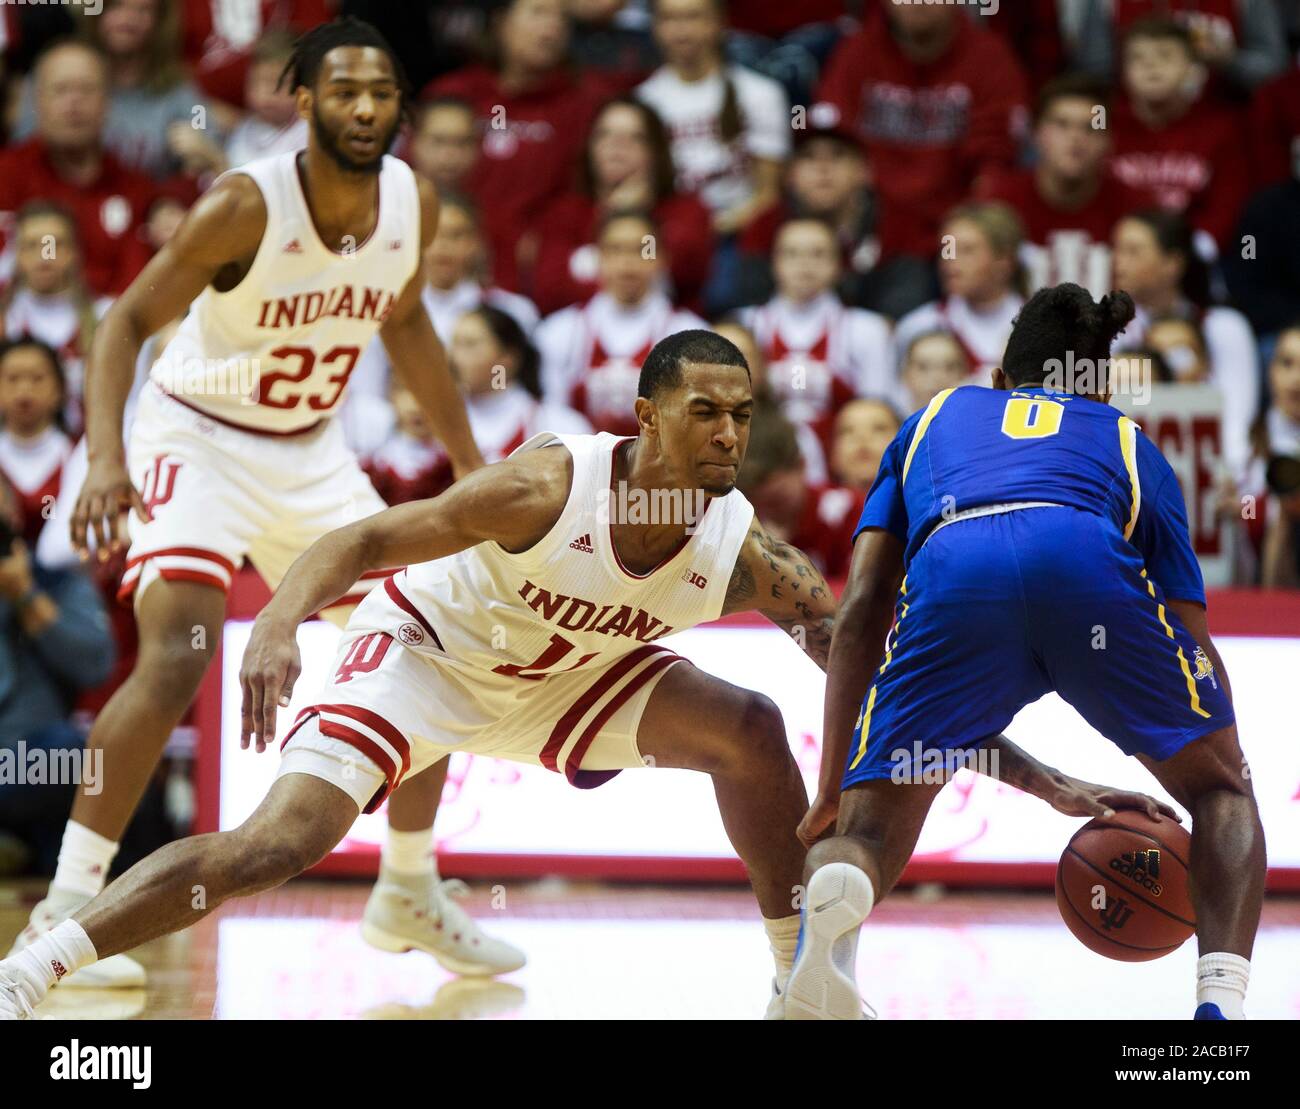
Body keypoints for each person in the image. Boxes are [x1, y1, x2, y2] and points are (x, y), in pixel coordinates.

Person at [0, 328, 1163, 1020]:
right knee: (275, 845)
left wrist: (1051, 782)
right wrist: (279, 622)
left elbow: (901, 687)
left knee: (752, 724)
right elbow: (361, 540)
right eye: (702, 410)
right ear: (644, 414)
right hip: (423, 653)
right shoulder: (546, 486)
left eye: (741, 415)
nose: (724, 431)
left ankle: (793, 973)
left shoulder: (745, 550)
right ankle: (40, 961)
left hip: (569, 681)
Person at [5, 17, 521, 992]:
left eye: (381, 90)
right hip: (193, 433)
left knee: (422, 632)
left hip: (306, 449)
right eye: (343, 89)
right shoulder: (246, 204)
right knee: (178, 649)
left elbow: (404, 319)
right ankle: (69, 902)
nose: (365, 106)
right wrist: (108, 458)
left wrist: (468, 463)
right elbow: (123, 325)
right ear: (305, 102)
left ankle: (407, 885)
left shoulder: (413, 203)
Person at [790, 284, 1263, 1021]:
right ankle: (1221, 1011)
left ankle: (826, 964)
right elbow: (1189, 636)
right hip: (1082, 565)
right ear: (1100, 386)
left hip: (956, 570)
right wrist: (1220, 757)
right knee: (1222, 794)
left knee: (866, 838)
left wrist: (833, 787)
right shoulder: (1127, 440)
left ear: (1000, 379)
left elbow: (856, 616)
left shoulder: (932, 419)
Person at [537, 208, 705, 436]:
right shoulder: (559, 331)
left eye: (642, 250)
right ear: (598, 258)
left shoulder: (690, 334)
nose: (627, 264)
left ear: (663, 259)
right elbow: (550, 418)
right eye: (615, 250)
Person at [979, 74, 1149, 298]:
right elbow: (956, 257)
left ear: (1109, 140)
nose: (1076, 138)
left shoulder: (1136, 209)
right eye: (1062, 125)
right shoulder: (998, 202)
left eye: (1090, 128)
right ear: (1036, 134)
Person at [736, 217, 893, 452]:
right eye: (792, 253)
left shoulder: (867, 329)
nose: (804, 264)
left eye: (818, 254)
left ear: (838, 265)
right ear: (773, 263)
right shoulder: (744, 325)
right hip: (761, 460)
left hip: (841, 462)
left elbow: (878, 414)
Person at [891, 203, 1026, 382]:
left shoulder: (1040, 327)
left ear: (1004, 261)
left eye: (967, 250)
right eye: (947, 251)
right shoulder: (918, 326)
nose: (950, 264)